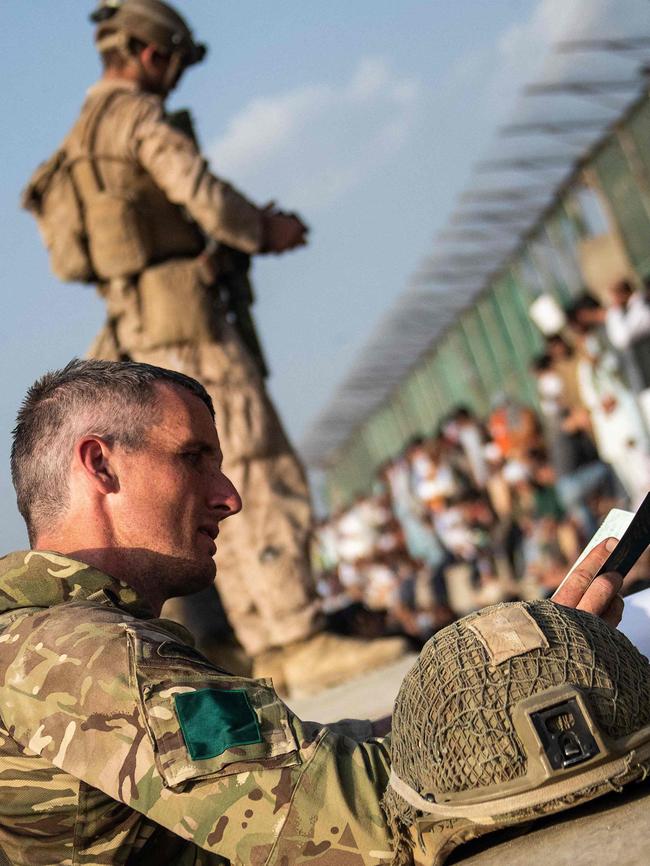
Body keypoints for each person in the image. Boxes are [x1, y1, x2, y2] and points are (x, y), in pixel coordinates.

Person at [0, 358, 626, 864]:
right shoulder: (87, 657)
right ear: (99, 464)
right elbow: (350, 820)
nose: (231, 498)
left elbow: (292, 764)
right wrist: (539, 661)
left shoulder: (41, 640)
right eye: (193, 458)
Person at [21, 0, 404, 692]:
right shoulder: (137, 118)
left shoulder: (75, 143)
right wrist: (263, 228)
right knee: (257, 470)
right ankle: (294, 637)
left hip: (132, 329)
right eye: (171, 62)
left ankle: (266, 644)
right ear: (151, 54)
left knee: (197, 483)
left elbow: (68, 263)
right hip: (188, 320)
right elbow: (202, 197)